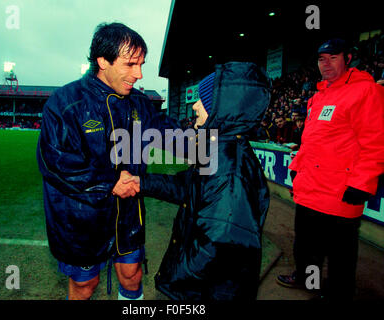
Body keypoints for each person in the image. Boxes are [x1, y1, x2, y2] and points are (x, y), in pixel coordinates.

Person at [37, 22, 181, 300]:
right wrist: (111, 181)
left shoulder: (139, 103)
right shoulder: (65, 103)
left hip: (128, 213)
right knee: (84, 286)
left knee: (132, 275)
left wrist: (211, 140)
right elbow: (56, 163)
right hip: (82, 218)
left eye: (141, 64)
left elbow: (167, 132)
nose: (138, 74)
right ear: (103, 61)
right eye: (130, 64)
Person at [115, 62, 272, 300]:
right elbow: (187, 188)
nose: (195, 106)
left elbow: (219, 246)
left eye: (203, 101)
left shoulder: (229, 168)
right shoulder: (221, 148)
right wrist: (141, 182)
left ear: (222, 107)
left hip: (199, 292)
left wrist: (175, 279)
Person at [276, 38, 384, 300]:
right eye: (321, 59)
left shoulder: (366, 91)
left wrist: (361, 183)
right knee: (306, 244)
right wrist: (296, 167)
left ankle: (339, 293)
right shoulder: (318, 96)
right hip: (310, 188)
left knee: (341, 253)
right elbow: (310, 141)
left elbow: (376, 143)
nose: (326, 64)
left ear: (348, 59)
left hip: (340, 192)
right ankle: (305, 278)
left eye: (333, 57)